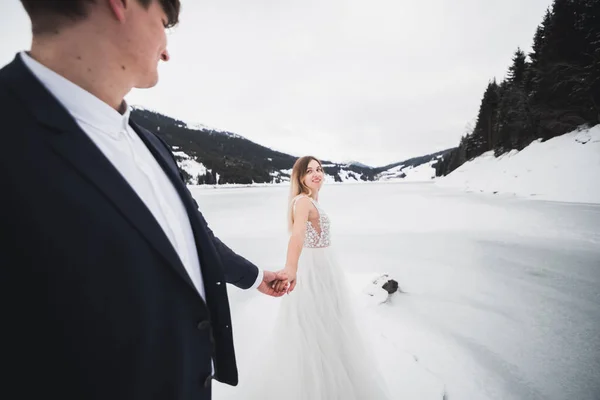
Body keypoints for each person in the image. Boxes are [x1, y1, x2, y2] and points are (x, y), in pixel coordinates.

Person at [0, 1, 287, 399]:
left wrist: (254, 276)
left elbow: (187, 239)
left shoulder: (149, 143)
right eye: (165, 23)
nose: (167, 49)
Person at [239, 156, 391, 399]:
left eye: (319, 169)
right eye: (310, 171)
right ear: (300, 177)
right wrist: (290, 268)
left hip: (325, 269)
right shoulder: (302, 202)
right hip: (313, 271)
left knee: (329, 324)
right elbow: (297, 236)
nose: (317, 173)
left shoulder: (312, 202)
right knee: (313, 326)